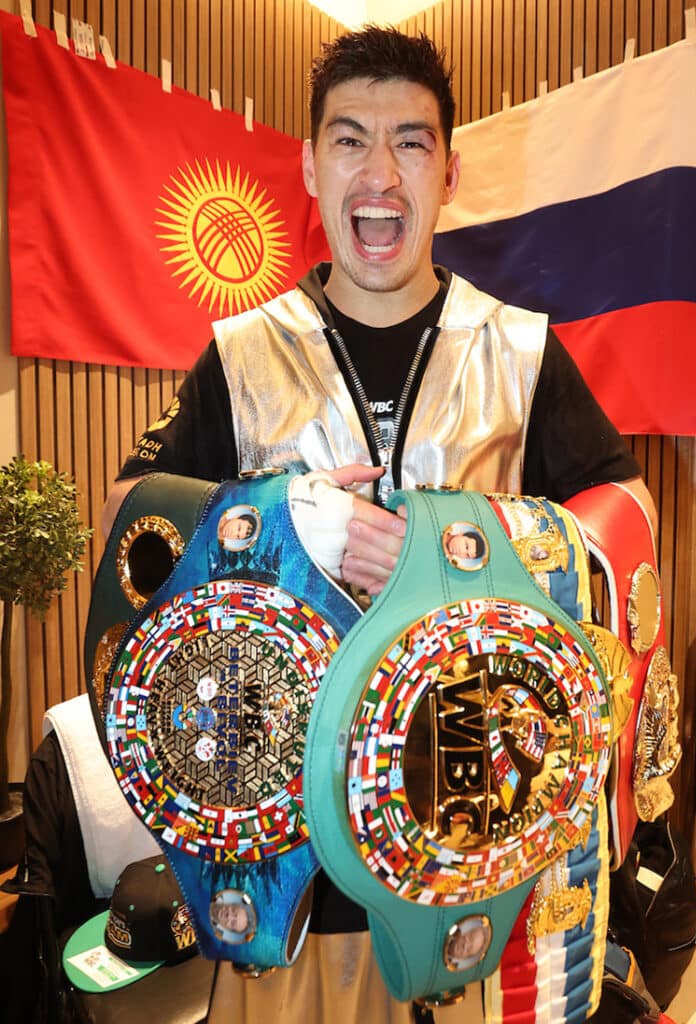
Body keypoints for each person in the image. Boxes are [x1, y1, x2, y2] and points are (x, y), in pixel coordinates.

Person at [101, 24, 657, 1024]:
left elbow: (626, 523)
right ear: (310, 163)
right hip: (282, 876)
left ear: (450, 169)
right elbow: (129, 524)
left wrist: (458, 552)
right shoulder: (240, 354)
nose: (380, 173)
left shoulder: (522, 354)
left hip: (478, 851)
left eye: (411, 141)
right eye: (351, 139)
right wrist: (273, 520)